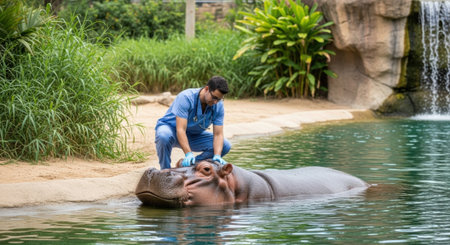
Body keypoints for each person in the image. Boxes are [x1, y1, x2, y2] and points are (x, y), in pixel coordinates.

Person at [155, 76, 232, 169]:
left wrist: (217, 155)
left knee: (225, 145)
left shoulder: (218, 105)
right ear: (207, 89)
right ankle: (165, 171)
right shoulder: (186, 97)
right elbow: (180, 130)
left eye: (219, 99)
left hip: (193, 135)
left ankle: (189, 166)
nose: (216, 102)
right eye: (214, 97)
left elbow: (218, 134)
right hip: (172, 130)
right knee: (163, 136)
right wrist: (188, 153)